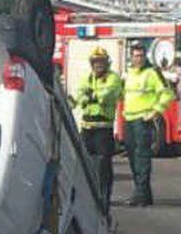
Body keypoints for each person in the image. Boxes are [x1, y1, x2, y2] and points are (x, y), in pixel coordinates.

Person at [121, 42, 174, 207]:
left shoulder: (152, 73)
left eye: (141, 55)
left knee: (142, 157)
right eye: (136, 55)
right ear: (131, 56)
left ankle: (140, 195)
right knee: (131, 156)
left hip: (142, 121)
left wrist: (155, 111)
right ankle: (144, 193)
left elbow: (167, 94)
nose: (139, 59)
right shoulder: (128, 73)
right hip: (129, 119)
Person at [73, 46, 124, 206]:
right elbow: (79, 96)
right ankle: (88, 198)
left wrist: (92, 96)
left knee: (103, 166)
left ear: (106, 63)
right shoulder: (87, 78)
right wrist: (87, 97)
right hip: (87, 128)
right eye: (95, 62)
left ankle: (104, 198)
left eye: (101, 61)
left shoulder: (113, 78)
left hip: (103, 129)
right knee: (85, 165)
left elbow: (106, 95)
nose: (98, 65)